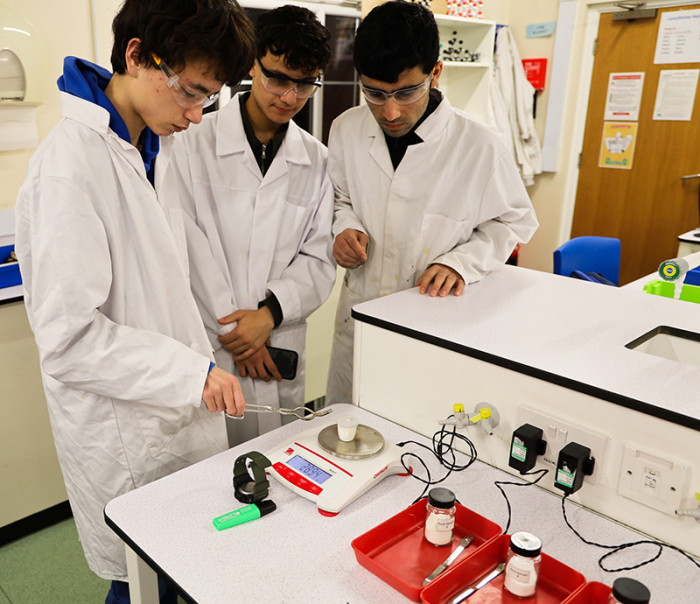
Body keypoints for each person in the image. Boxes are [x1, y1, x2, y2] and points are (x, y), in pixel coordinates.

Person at [13, 0, 256, 601]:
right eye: (191, 93)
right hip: (125, 431)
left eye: (210, 99)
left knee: (179, 567)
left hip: (173, 408)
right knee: (141, 583)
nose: (197, 117)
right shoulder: (68, 168)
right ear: (137, 55)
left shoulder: (155, 144)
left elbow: (171, 274)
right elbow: (69, 342)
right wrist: (186, 370)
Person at [325, 0, 539, 404]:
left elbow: (512, 223)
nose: (389, 111)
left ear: (435, 72)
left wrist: (458, 262)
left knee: (419, 439)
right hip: (360, 316)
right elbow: (340, 198)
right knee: (347, 427)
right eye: (374, 92)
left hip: (434, 321)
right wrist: (343, 228)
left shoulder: (479, 146)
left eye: (406, 92)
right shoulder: (346, 129)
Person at [164, 5, 336, 445]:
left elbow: (319, 257)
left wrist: (268, 315)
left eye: (305, 84)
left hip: (278, 337)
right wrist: (239, 333)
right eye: (278, 77)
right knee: (214, 469)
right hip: (213, 342)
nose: (290, 97)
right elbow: (182, 241)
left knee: (281, 459)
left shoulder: (316, 160)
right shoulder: (191, 141)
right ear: (252, 67)